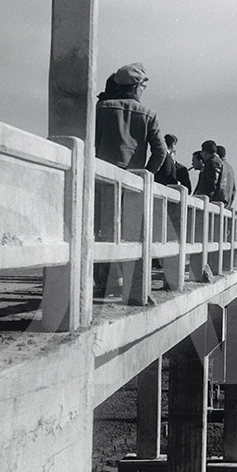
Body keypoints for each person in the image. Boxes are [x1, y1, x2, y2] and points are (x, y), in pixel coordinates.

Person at [94, 63, 167, 298]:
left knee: (103, 229)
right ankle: (129, 282)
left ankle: (108, 282)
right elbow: (161, 152)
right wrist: (146, 174)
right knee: (131, 232)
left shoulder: (102, 108)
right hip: (133, 182)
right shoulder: (149, 114)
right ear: (136, 86)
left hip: (102, 177)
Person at [193, 140, 226, 205]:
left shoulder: (212, 162)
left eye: (202, 152)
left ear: (205, 152)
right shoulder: (218, 162)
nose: (201, 154)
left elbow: (212, 184)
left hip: (208, 201)